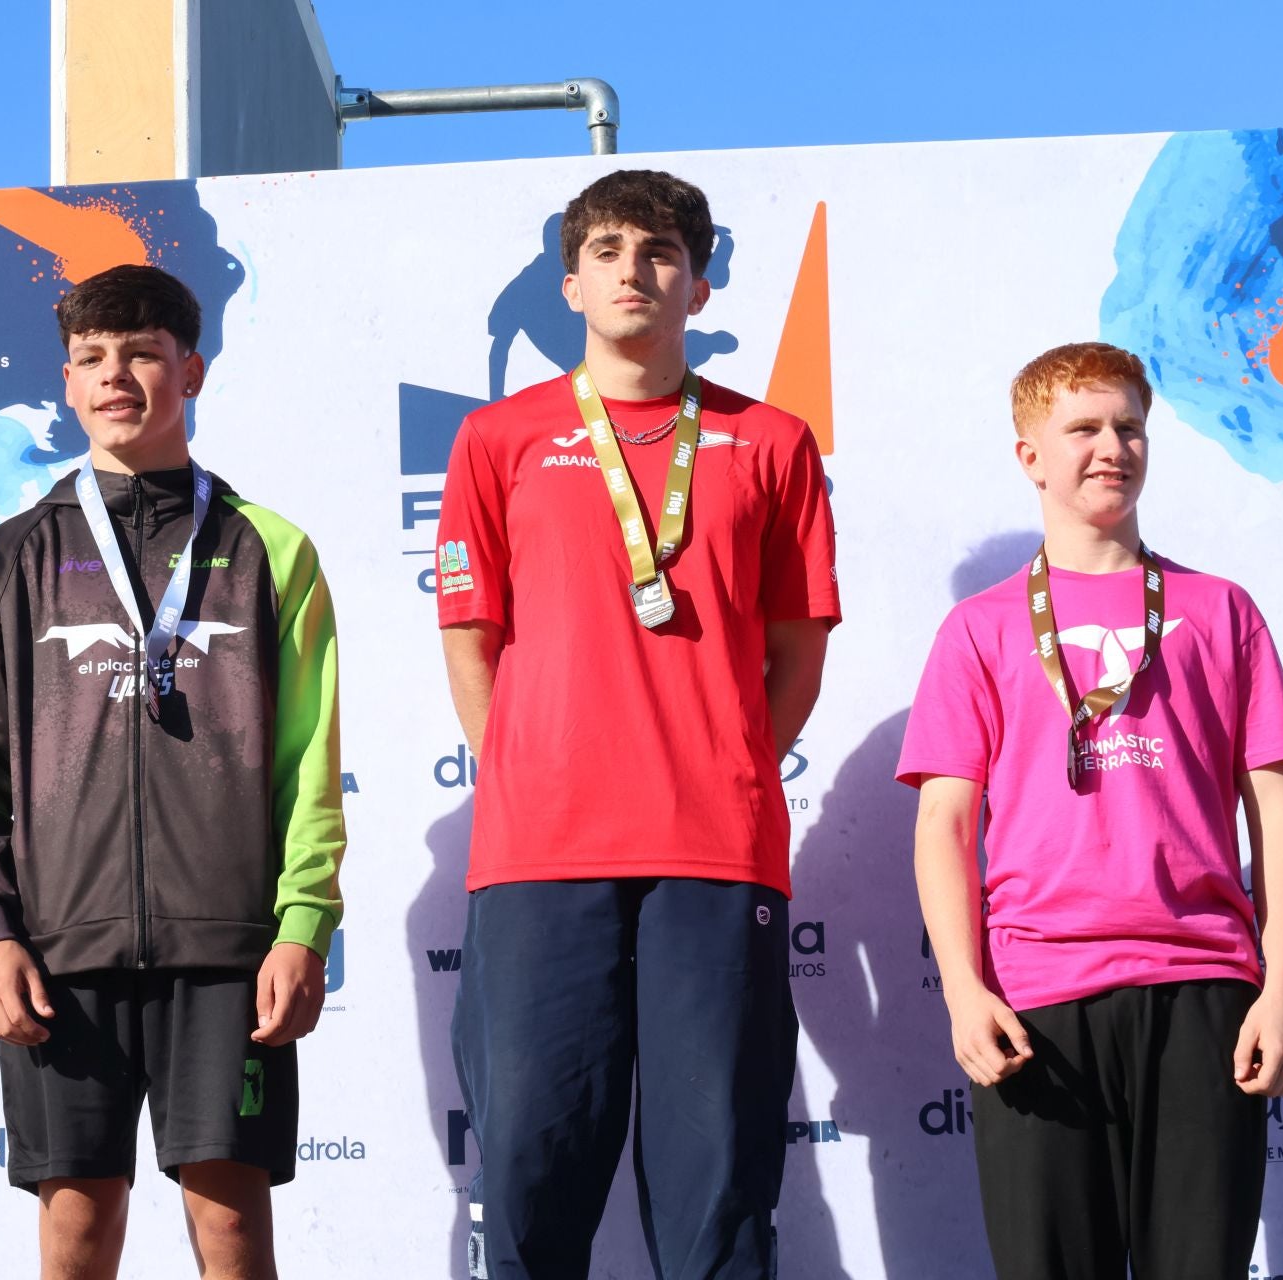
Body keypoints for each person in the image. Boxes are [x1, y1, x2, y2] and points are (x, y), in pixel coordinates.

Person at [436, 169, 840, 1278]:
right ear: (570, 282)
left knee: (717, 1189)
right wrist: (527, 766)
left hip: (715, 852)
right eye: (607, 249)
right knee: (528, 1176)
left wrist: (724, 757)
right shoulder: (498, 439)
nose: (633, 270)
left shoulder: (775, 442)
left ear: (698, 286)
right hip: (540, 855)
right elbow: (472, 635)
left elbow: (798, 649)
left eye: (660, 251)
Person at [0, 263, 345, 1280]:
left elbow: (311, 762)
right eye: (91, 358)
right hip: (59, 946)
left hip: (226, 946)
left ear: (190, 369)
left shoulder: (269, 547)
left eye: (143, 353)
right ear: (67, 382)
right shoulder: (9, 557)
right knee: (77, 1221)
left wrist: (301, 926)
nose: (117, 375)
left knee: (232, 1221)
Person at [898, 341, 1283, 1279]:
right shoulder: (980, 628)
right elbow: (944, 826)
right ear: (1030, 457)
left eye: (1129, 426)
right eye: (1082, 427)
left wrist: (1281, 990)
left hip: (1205, 991)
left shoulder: (1221, 610)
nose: (1111, 447)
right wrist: (964, 991)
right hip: (1036, 1004)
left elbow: (1277, 810)